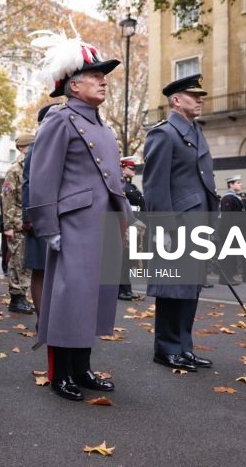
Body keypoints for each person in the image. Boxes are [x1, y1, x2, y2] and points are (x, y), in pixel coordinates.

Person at [28, 31, 130, 401]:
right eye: (96, 76)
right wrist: (48, 226)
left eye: (104, 76)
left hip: (101, 224)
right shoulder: (60, 120)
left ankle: (82, 368)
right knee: (69, 300)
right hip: (73, 225)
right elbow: (43, 177)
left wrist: (124, 218)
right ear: (74, 84)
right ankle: (61, 373)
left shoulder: (102, 124)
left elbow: (112, 179)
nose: (104, 81)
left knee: (93, 299)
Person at [142, 74, 219, 372]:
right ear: (175, 100)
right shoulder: (164, 134)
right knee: (172, 287)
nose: (200, 100)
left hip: (197, 224)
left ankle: (184, 347)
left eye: (201, 96)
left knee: (190, 288)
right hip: (176, 225)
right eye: (193, 95)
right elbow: (154, 186)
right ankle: (167, 348)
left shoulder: (195, 131)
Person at [22, 104, 55, 320]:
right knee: (40, 269)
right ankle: (42, 320)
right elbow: (28, 183)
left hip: (58, 216)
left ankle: (53, 318)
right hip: (39, 216)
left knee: (53, 270)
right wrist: (29, 216)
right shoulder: (37, 145)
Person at [1, 132, 35, 314]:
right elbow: (7, 199)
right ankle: (16, 297)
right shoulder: (14, 169)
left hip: (28, 222)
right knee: (16, 260)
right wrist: (8, 226)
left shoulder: (32, 166)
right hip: (16, 222)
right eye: (31, 146)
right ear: (22, 147)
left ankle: (23, 294)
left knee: (26, 261)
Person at [118, 156, 145, 300]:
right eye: (130, 168)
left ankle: (126, 288)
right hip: (126, 224)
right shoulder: (121, 185)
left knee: (128, 259)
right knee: (123, 258)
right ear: (122, 168)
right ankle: (121, 290)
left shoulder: (131, 186)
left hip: (134, 224)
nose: (133, 170)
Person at [218, 175, 244, 285]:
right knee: (228, 256)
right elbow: (227, 217)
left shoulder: (235, 197)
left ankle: (229, 277)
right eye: (238, 183)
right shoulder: (228, 198)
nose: (241, 184)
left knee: (232, 255)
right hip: (229, 230)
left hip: (233, 230)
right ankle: (225, 278)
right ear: (231, 184)